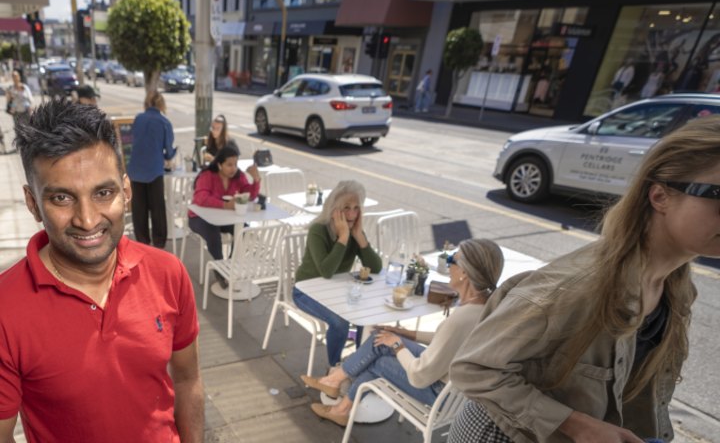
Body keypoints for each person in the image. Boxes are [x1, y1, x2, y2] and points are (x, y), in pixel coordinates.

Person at [448, 116, 720, 442]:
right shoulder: (575, 290)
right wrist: (576, 423)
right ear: (660, 196)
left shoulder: (677, 290)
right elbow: (472, 368)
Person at [0, 99, 203, 442]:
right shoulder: (6, 308)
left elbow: (187, 379)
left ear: (125, 191)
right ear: (33, 203)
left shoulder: (169, 273)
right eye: (62, 198)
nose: (88, 220)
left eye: (103, 193)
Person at [301, 239, 505, 427]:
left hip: (437, 392)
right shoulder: (487, 307)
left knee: (378, 359)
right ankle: (338, 395)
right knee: (380, 340)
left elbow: (419, 375)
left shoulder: (460, 318)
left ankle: (337, 393)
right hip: (454, 390)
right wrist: (405, 334)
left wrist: (397, 345)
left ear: (465, 273)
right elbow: (448, 341)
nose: (448, 263)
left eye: (452, 259)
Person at [293, 180, 383, 367]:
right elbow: (326, 271)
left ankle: (359, 364)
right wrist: (343, 238)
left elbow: (376, 268)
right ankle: (334, 368)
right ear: (334, 210)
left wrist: (359, 238)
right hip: (306, 291)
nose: (352, 214)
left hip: (335, 291)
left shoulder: (355, 232)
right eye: (346, 208)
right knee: (340, 323)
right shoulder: (318, 231)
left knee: (366, 316)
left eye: (356, 208)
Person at [188, 144, 261, 284]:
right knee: (213, 233)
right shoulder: (207, 175)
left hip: (223, 219)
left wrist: (256, 180)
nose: (234, 168)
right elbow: (200, 198)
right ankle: (220, 268)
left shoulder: (238, 176)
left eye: (235, 164)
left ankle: (231, 265)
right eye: (229, 164)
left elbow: (249, 195)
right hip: (199, 218)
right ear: (220, 164)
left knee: (243, 229)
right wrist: (225, 205)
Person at [126, 91, 176, 248]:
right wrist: (173, 152)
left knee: (139, 209)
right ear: (162, 104)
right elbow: (168, 152)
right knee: (157, 209)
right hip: (154, 170)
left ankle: (143, 243)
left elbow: (133, 140)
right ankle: (159, 243)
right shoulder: (164, 122)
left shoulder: (138, 119)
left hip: (135, 169)